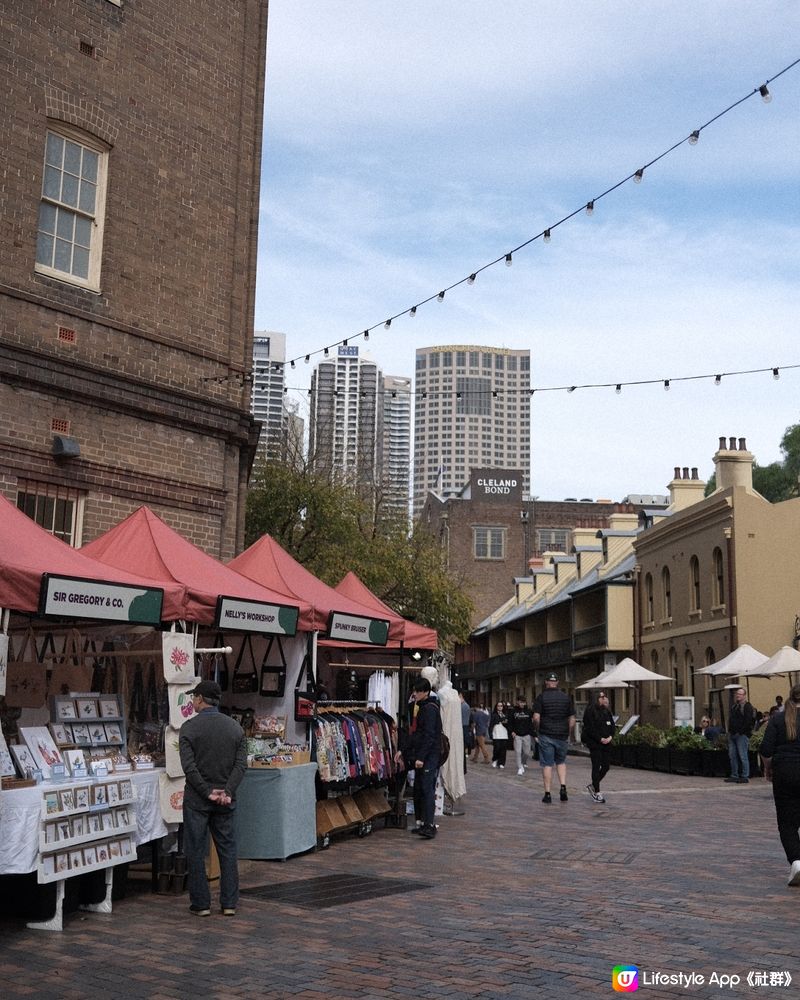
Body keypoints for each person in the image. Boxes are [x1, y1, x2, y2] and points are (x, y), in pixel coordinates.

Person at [179, 679, 246, 917]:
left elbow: (189, 767)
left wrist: (207, 791)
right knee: (227, 850)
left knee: (195, 851)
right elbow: (240, 766)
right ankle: (229, 903)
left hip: (197, 800)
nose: (192, 701)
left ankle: (201, 904)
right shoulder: (236, 729)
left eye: (193, 697)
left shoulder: (188, 729)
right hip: (226, 801)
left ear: (199, 699)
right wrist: (226, 791)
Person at [759, 684, 800, 886]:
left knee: (787, 822)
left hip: (784, 772)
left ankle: (797, 861)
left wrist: (768, 768)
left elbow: (765, 749)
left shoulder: (777, 719)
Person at [400, 677, 443, 839]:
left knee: (426, 788)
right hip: (423, 753)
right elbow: (418, 734)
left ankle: (429, 824)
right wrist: (404, 750)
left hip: (429, 755)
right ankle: (421, 822)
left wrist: (421, 757)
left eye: (418, 691)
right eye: (414, 690)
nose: (415, 693)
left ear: (425, 692)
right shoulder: (421, 707)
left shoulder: (429, 709)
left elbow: (429, 736)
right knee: (419, 788)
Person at [533, 673, 575, 803]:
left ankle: (548, 793)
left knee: (547, 764)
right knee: (561, 762)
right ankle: (563, 787)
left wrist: (537, 729)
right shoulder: (566, 698)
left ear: (546, 682)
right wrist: (568, 732)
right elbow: (572, 719)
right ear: (557, 682)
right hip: (562, 735)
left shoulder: (541, 697)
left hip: (546, 734)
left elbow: (536, 717)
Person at [581, 691, 615, 802]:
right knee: (596, 766)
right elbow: (590, 728)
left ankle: (593, 785)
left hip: (607, 743)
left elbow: (612, 726)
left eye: (604, 697)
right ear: (596, 698)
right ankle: (597, 792)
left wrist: (610, 737)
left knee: (606, 766)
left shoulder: (606, 711)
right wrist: (600, 739)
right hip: (595, 743)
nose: (604, 699)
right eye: (602, 697)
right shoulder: (590, 711)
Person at [726, 686, 756, 783]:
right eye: (737, 694)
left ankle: (745, 775)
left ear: (744, 696)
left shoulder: (747, 706)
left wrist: (741, 732)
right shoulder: (734, 706)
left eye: (740, 694)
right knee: (732, 755)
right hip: (733, 734)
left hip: (742, 735)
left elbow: (748, 721)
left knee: (743, 755)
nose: (738, 695)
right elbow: (731, 719)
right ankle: (734, 775)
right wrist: (730, 731)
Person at [508, 695, 534, 775]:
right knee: (518, 751)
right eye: (521, 702)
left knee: (527, 752)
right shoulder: (513, 711)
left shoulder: (529, 711)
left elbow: (531, 724)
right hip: (517, 735)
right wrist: (512, 731)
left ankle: (523, 762)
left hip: (526, 734)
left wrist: (534, 734)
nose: (522, 704)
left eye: (523, 702)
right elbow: (510, 722)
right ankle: (520, 767)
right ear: (517, 702)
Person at [489, 701, 509, 769]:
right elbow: (491, 724)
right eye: (498, 706)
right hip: (496, 733)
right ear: (496, 707)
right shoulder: (494, 714)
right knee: (496, 748)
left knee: (503, 749)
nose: (500, 707)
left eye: (501, 706)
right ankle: (495, 760)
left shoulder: (506, 714)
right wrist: (490, 734)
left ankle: (501, 763)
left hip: (504, 734)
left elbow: (507, 722)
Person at [459, 690, 473, 772]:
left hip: (463, 727)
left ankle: (463, 768)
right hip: (464, 727)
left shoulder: (463, 706)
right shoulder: (465, 706)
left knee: (462, 748)